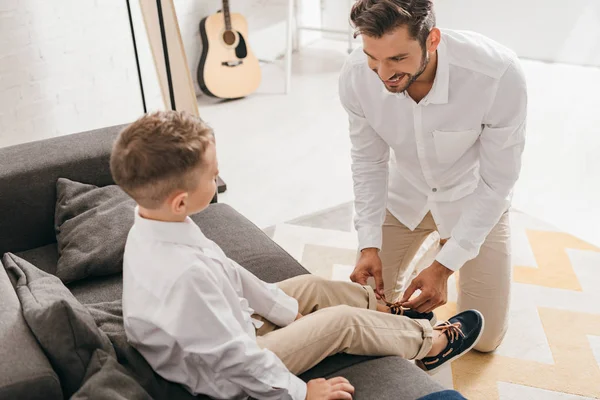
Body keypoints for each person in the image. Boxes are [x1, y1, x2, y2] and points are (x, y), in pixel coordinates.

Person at [110, 111, 484, 400]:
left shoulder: (155, 226)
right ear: (180, 202)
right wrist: (301, 392)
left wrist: (287, 312)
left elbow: (229, 274)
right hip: (223, 372)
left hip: (230, 323)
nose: (219, 179)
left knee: (312, 287)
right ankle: (430, 344)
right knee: (342, 323)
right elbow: (232, 358)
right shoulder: (183, 277)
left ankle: (385, 315)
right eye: (213, 176)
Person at [339, 0, 527, 353]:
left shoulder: (497, 75)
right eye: (372, 57)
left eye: (397, 59)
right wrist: (368, 243)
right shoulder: (354, 76)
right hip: (404, 195)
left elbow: (498, 182)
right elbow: (368, 162)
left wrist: (445, 267)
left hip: (471, 198)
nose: (382, 73)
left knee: (483, 340)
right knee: (364, 311)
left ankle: (443, 252)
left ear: (433, 40)